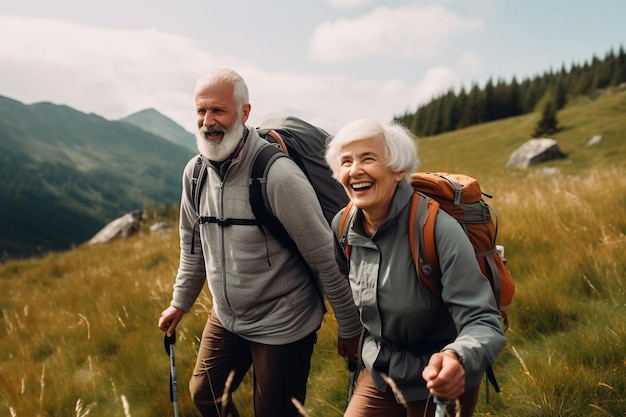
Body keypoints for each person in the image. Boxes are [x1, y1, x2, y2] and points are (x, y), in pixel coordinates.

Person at [158, 68, 361, 417]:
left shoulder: (277, 175)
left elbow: (324, 259)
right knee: (205, 394)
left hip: (284, 322)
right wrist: (180, 303)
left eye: (218, 111)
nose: (208, 121)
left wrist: (350, 327)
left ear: (244, 113)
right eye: (201, 111)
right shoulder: (194, 175)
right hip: (227, 317)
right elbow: (193, 252)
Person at [324, 119, 506, 417]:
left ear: (398, 170)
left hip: (439, 377)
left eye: (368, 158)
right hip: (379, 372)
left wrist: (457, 358)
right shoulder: (342, 225)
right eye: (345, 161)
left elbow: (483, 322)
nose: (354, 170)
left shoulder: (436, 230)